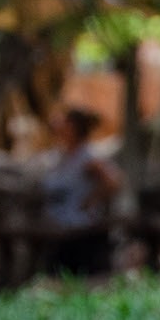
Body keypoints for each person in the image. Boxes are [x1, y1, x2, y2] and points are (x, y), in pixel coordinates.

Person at [42, 107, 123, 277]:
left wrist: (91, 200)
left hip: (81, 233)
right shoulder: (61, 156)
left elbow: (114, 181)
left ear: (73, 127)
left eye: (63, 123)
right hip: (59, 232)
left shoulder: (88, 157)